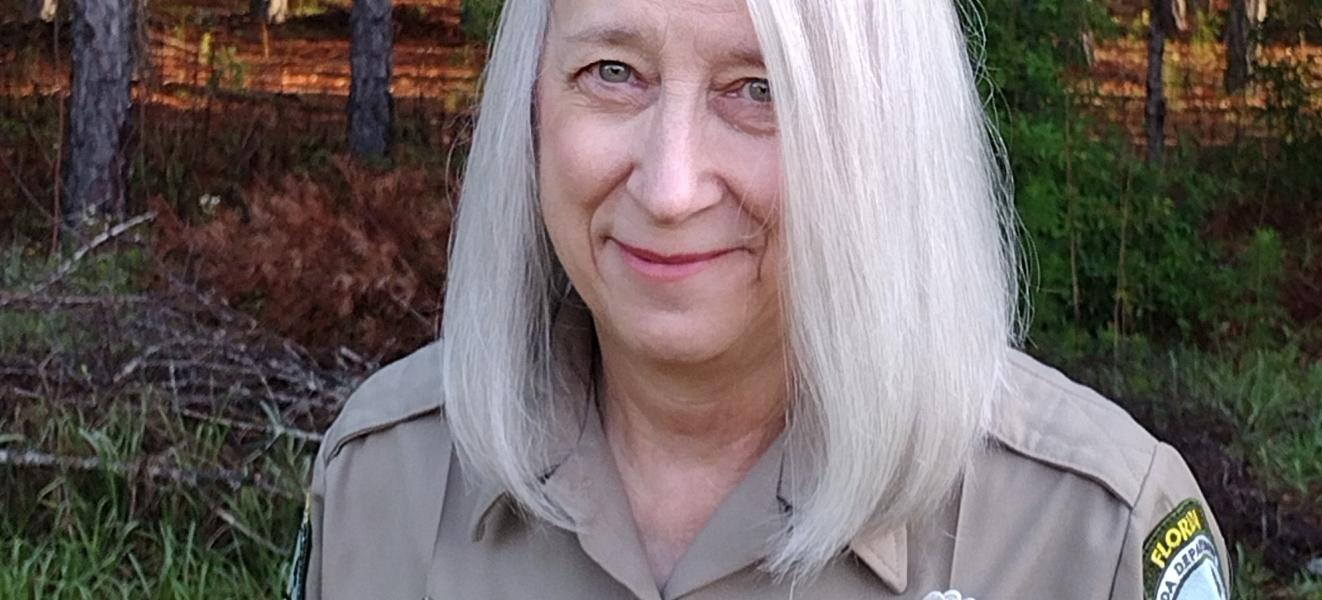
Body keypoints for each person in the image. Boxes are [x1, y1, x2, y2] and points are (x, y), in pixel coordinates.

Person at [289, 0, 1232, 598]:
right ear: (533, 105)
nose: (670, 186)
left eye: (759, 90)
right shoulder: (384, 483)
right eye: (612, 73)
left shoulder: (1091, 539)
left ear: (882, 131)